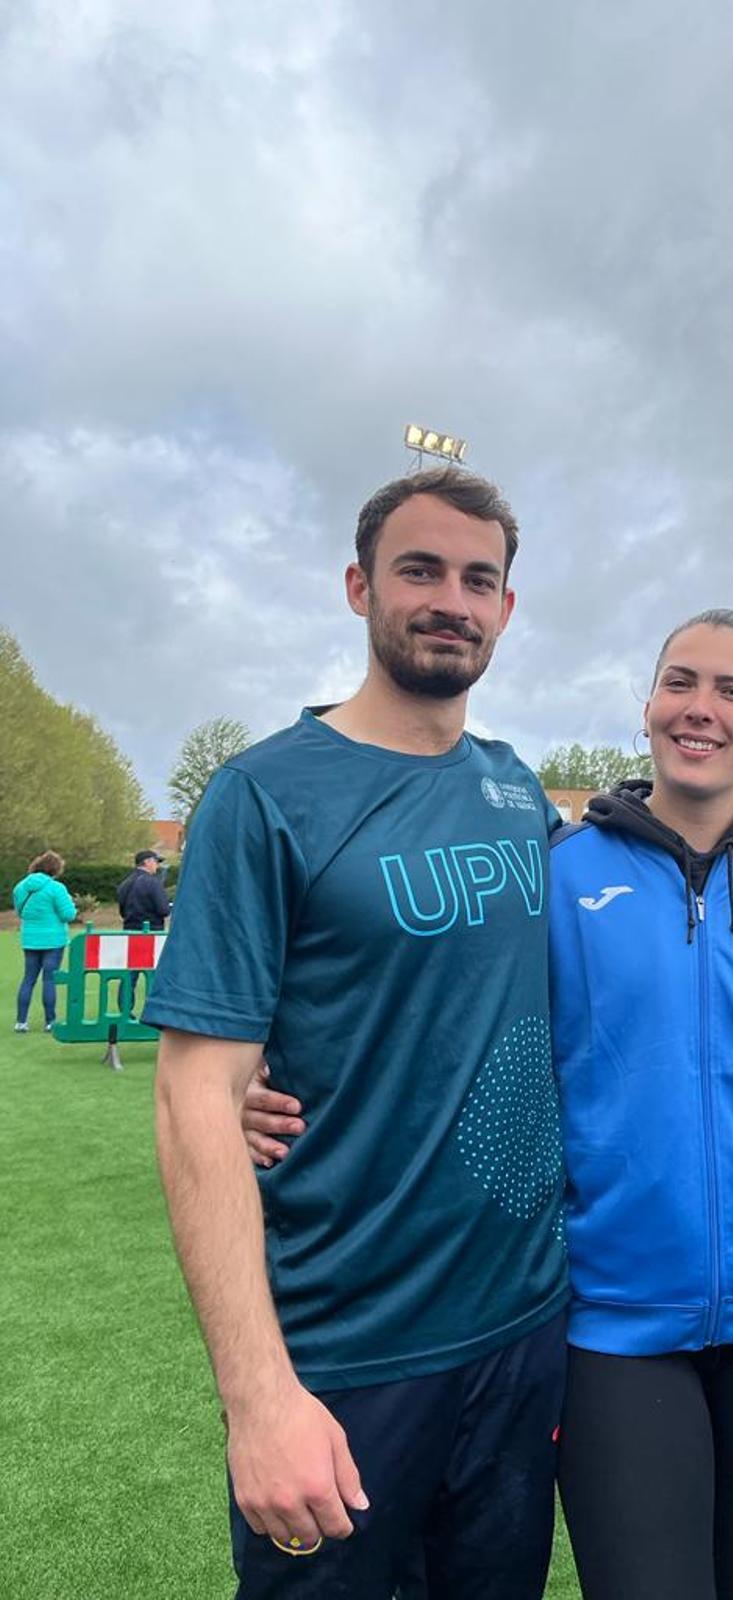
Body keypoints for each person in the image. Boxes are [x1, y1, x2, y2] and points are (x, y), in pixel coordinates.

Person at [247, 608, 733, 1600]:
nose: (701, 707)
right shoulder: (561, 873)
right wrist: (269, 1071)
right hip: (615, 1330)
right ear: (647, 707)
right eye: (680, 681)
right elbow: (445, 1018)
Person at [147, 468, 569, 1599]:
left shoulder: (517, 790)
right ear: (358, 586)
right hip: (346, 1358)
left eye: (480, 579)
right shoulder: (265, 794)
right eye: (420, 570)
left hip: (524, 1337)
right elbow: (195, 1093)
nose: (453, 599)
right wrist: (259, 1397)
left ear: (507, 611)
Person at [12, 850, 76, 1032]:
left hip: (30, 938)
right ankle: (50, 1021)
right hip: (53, 939)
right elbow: (68, 914)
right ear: (55, 869)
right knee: (49, 979)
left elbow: (20, 912)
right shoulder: (56, 888)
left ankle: (21, 1021)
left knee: (28, 978)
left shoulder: (21, 887)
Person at [116, 848, 171, 1004]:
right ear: (147, 862)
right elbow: (163, 910)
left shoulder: (125, 883)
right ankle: (155, 1010)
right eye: (155, 862)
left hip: (130, 932)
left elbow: (122, 911)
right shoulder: (153, 883)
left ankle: (125, 1011)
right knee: (153, 975)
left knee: (129, 974)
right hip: (151, 933)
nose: (157, 866)